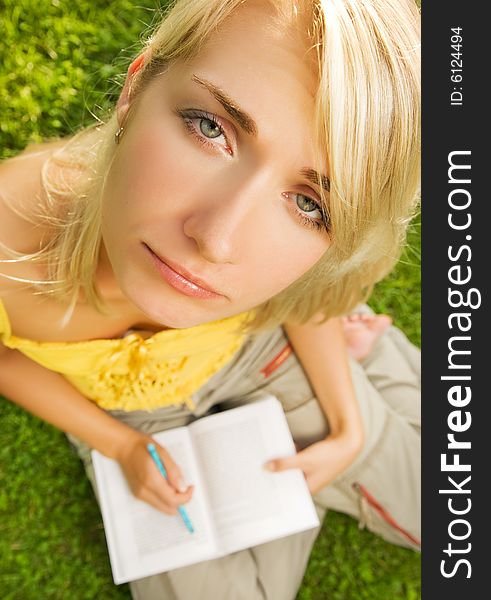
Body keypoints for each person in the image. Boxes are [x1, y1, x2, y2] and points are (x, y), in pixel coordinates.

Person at [0, 0, 421, 598]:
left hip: (264, 350)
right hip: (135, 418)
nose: (216, 241)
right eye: (210, 127)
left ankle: (359, 363)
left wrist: (348, 426)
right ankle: (362, 362)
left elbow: (304, 298)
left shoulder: (288, 272)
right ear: (135, 86)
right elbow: (5, 356)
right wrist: (121, 445)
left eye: (310, 204)